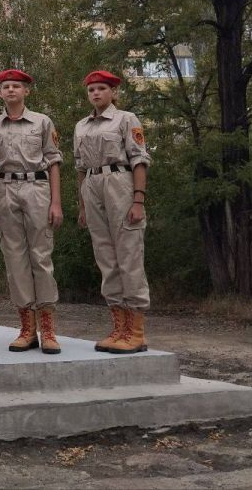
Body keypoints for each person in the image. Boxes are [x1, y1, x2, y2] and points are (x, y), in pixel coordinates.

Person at [0, 69, 63, 354]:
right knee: (14, 259)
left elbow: (54, 160)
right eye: (5, 86)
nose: (11, 91)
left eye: (16, 86)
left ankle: (48, 328)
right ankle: (27, 328)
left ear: (26, 91)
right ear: (0, 92)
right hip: (6, 189)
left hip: (36, 188)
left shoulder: (42, 122)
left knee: (41, 257)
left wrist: (56, 202)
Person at [75, 70, 151, 354]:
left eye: (101, 89)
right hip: (92, 186)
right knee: (106, 257)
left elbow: (140, 160)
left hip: (120, 182)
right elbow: (80, 167)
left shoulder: (125, 119)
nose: (95, 93)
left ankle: (136, 331)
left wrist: (138, 201)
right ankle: (118, 326)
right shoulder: (81, 125)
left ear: (113, 93)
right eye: (91, 89)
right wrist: (82, 205)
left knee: (128, 254)